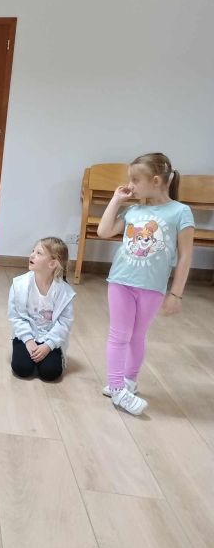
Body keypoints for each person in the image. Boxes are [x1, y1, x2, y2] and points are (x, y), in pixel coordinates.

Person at [97, 152, 194, 415]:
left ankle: (129, 380)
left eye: (135, 180)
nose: (130, 185)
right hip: (120, 281)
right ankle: (117, 388)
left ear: (156, 181)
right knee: (119, 335)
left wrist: (176, 294)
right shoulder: (133, 210)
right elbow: (104, 231)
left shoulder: (181, 212)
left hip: (152, 288)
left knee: (137, 336)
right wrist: (116, 200)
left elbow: (185, 256)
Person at [8, 237, 75, 381]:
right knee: (22, 369)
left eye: (38, 253)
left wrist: (48, 345)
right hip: (26, 336)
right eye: (33, 251)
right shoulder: (19, 285)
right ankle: (25, 351)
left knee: (51, 373)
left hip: (50, 338)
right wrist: (28, 340)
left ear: (52, 263)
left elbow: (64, 323)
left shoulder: (64, 292)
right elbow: (16, 317)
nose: (32, 255)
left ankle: (46, 356)